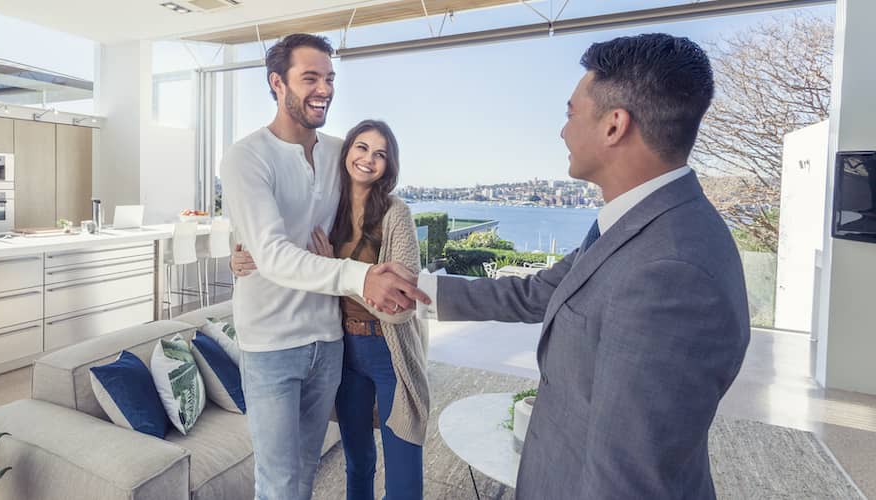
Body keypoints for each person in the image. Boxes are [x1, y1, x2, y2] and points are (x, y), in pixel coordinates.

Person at [415, 33, 751, 498]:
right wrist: (418, 290)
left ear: (614, 125)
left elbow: (628, 480)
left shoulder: (672, 273)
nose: (562, 130)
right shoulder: (640, 225)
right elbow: (542, 292)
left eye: (571, 112)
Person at [220, 34, 427, 500]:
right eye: (310, 77)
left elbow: (374, 205)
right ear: (277, 83)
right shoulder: (245, 157)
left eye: (329, 78)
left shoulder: (340, 152)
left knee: (307, 471)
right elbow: (270, 253)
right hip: (271, 344)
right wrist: (359, 276)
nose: (324, 89)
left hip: (329, 340)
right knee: (277, 482)